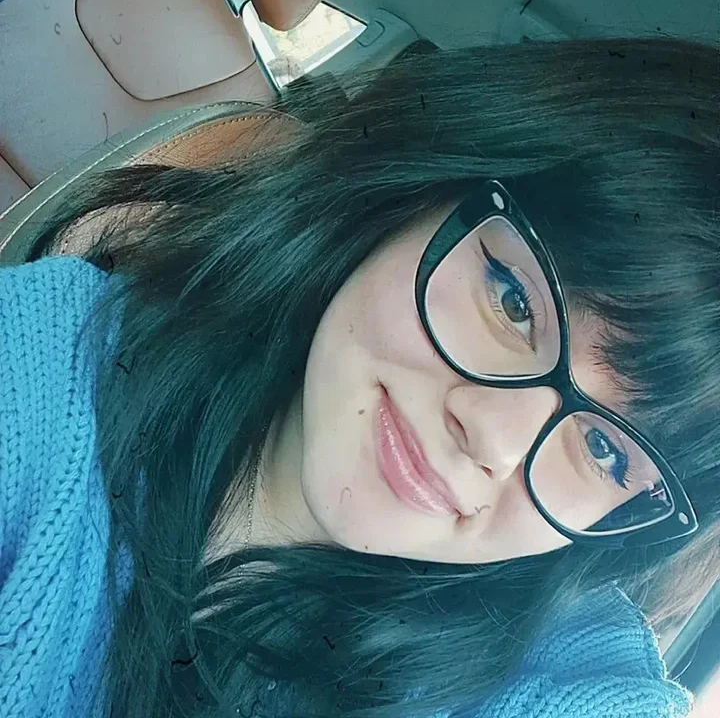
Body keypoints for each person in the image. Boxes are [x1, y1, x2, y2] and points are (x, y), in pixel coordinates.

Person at [0, 36, 718, 718]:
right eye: (514, 303)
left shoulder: (570, 676)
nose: (495, 442)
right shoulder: (49, 369)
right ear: (424, 184)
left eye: (605, 452)